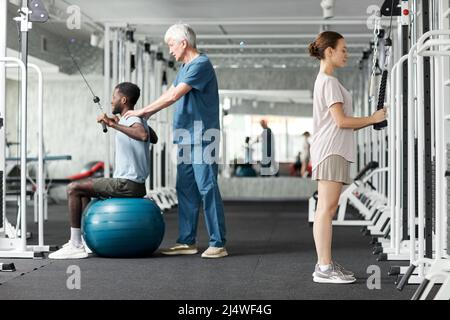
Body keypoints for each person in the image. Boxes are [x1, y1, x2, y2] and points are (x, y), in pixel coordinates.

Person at [124, 24, 228, 259]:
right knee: (186, 188)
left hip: (204, 136)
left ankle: (218, 242)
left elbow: (174, 96)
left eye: (171, 44)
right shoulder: (184, 66)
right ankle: (187, 241)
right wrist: (147, 113)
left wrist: (141, 111)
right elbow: (167, 92)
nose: (169, 49)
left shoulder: (201, 64)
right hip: (185, 136)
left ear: (184, 43)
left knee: (207, 187)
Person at [308, 31, 386, 283]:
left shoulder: (327, 81)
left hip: (332, 150)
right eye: (343, 49)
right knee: (326, 209)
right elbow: (341, 122)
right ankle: (324, 267)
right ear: (329, 52)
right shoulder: (328, 82)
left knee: (327, 208)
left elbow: (341, 122)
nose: (347, 54)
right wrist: (373, 119)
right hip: (331, 150)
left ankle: (325, 264)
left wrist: (372, 120)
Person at [49, 82, 158, 259]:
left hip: (126, 184)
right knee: (82, 191)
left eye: (114, 98)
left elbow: (144, 135)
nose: (111, 101)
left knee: (73, 188)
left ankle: (75, 244)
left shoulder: (133, 119)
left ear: (123, 100)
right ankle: (83, 242)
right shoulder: (135, 119)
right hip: (137, 185)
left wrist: (112, 124)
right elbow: (153, 137)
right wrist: (121, 122)